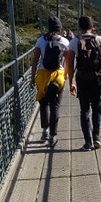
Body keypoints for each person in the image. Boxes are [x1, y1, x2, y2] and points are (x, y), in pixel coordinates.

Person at [67, 15, 101, 150]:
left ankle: (88, 142)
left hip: (82, 79)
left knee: (84, 110)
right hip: (97, 79)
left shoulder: (74, 42)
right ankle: (97, 138)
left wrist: (71, 83)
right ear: (92, 27)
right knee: (96, 108)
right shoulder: (100, 40)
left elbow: (69, 64)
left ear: (80, 28)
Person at [31, 17, 70, 149]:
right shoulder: (64, 41)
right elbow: (69, 61)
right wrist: (69, 76)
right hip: (58, 75)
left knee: (44, 102)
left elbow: (35, 60)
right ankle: (53, 136)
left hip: (43, 75)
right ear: (59, 29)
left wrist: (32, 77)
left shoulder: (40, 40)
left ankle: (45, 132)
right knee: (55, 106)